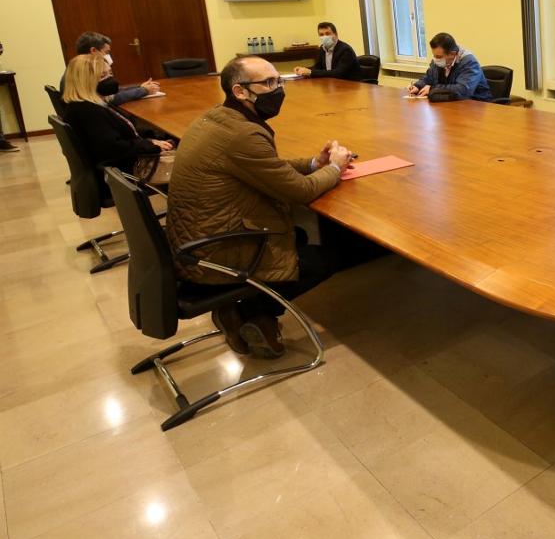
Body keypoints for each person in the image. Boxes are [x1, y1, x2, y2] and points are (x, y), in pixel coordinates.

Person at [166, 55, 355, 359]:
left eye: (278, 80)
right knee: (327, 257)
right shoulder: (243, 133)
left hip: (196, 242)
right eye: (268, 83)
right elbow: (299, 191)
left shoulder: (218, 118)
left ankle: (242, 312)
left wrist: (313, 163)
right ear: (240, 91)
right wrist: (333, 168)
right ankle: (256, 312)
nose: (278, 89)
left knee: (300, 236)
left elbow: (268, 166)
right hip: (215, 252)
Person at [61, 54, 175, 183]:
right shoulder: (89, 112)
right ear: (85, 82)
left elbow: (118, 137)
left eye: (110, 74)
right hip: (122, 173)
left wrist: (150, 140)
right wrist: (150, 145)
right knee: (191, 157)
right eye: (102, 76)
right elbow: (115, 148)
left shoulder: (86, 105)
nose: (110, 79)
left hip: (119, 165)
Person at [60, 32, 160, 106]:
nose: (108, 56)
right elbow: (110, 99)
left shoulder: (77, 68)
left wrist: (139, 87)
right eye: (106, 52)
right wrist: (143, 91)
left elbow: (109, 92)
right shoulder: (84, 72)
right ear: (94, 50)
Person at [406, 32, 493, 101]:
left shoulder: (469, 62)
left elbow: (463, 90)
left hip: (476, 105)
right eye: (434, 55)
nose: (435, 59)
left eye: (438, 56)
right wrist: (418, 86)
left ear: (452, 54)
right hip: (453, 105)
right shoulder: (439, 61)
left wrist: (433, 89)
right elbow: (429, 77)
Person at [293, 21, 362, 81]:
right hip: (332, 84)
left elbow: (338, 73)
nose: (324, 37)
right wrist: (303, 69)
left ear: (335, 34)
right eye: (321, 35)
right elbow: (318, 67)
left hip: (350, 86)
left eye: (327, 33)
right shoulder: (322, 49)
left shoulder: (345, 50)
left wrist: (310, 72)